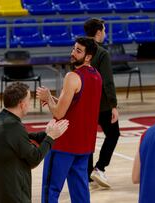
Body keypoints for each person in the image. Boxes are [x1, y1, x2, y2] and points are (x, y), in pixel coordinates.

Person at [38, 37, 102, 203]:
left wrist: (48, 99)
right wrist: (53, 99)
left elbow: (59, 113)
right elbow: (77, 104)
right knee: (80, 192)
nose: (73, 53)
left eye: (78, 51)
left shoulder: (72, 76)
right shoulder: (97, 76)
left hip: (63, 143)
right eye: (74, 48)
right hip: (85, 145)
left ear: (88, 57)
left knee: (50, 190)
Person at [0, 82, 69, 203]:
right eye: (29, 100)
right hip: (13, 195)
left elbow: (24, 137)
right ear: (22, 104)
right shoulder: (13, 126)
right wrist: (51, 137)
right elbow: (35, 157)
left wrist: (47, 133)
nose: (30, 104)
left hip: (0, 192)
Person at [83, 18, 120, 188]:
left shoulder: (78, 49)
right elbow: (107, 81)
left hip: (84, 103)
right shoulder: (102, 52)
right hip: (102, 103)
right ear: (98, 32)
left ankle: (87, 175)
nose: (105, 33)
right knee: (113, 134)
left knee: (88, 138)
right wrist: (113, 105)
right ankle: (100, 167)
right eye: (104, 30)